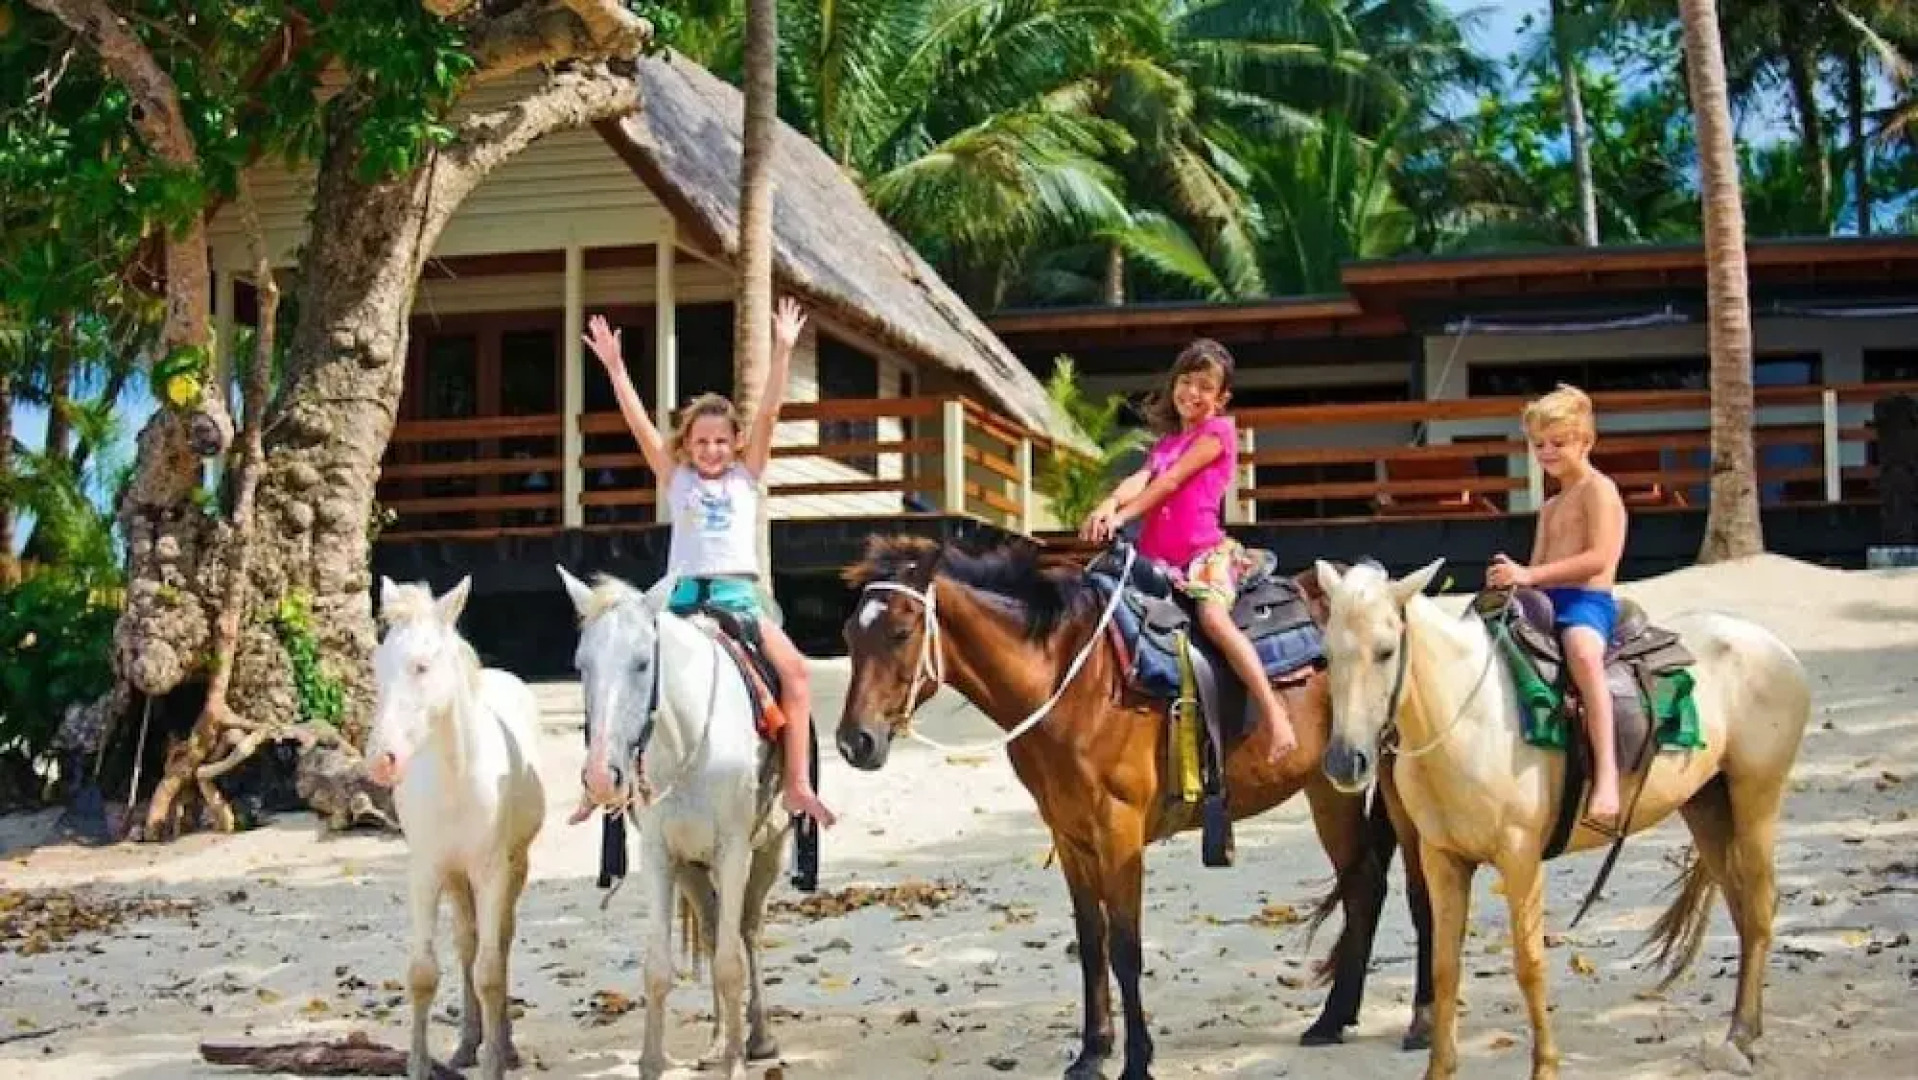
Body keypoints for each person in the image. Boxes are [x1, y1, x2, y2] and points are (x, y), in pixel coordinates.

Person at [574, 297, 836, 829]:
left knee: (796, 673)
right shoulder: (677, 480)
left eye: (721, 441)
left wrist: (783, 350)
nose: (712, 450)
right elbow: (639, 424)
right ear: (686, 447)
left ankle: (796, 785)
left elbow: (769, 413)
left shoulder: (747, 476)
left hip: (738, 598)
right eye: (701, 442)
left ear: (736, 444)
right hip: (683, 598)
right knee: (619, 672)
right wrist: (616, 368)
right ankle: (602, 782)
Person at [1080, 338, 1298, 764]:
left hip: (1204, 556)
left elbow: (1169, 483)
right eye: (1185, 381)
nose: (1191, 393)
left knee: (1212, 618)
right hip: (1156, 559)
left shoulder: (1219, 433)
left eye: (1203, 386)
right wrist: (1107, 504)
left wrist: (1122, 519)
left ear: (1220, 398)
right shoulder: (1163, 445)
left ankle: (1274, 713)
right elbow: (1142, 479)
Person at [1487, 383, 1629, 830]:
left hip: (1588, 600)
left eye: (1558, 443)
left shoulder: (1598, 490)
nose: (1547, 452)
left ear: (1585, 442)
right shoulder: (1550, 506)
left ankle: (1607, 775)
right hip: (1548, 598)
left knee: (1584, 655)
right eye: (1539, 444)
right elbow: (1540, 565)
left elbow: (1599, 558)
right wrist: (1513, 578)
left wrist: (1529, 576)